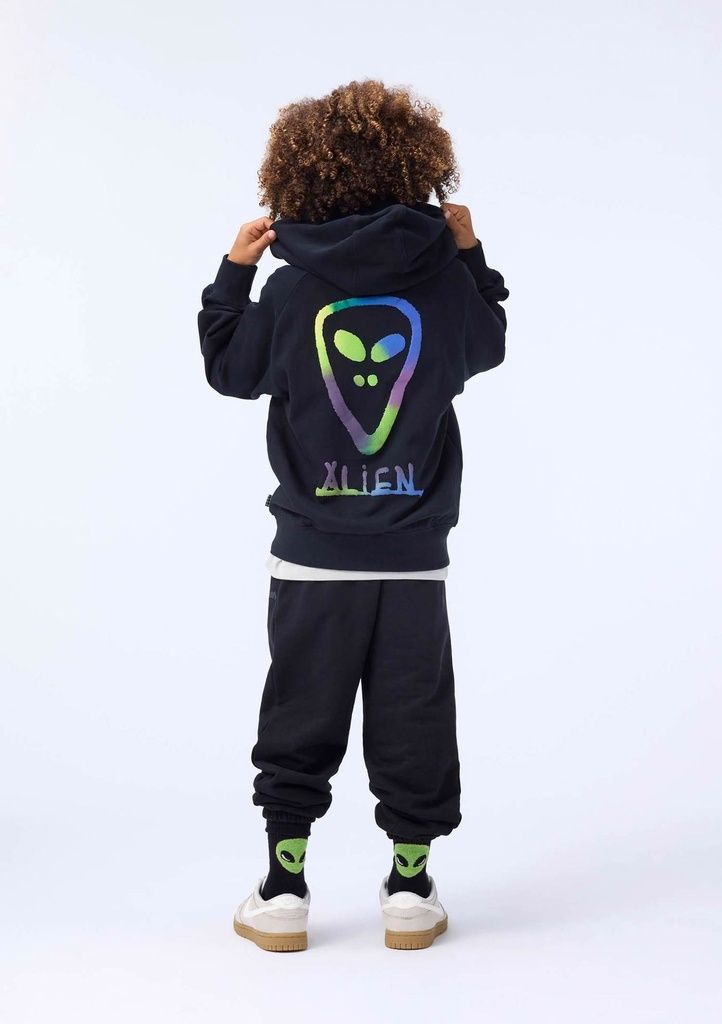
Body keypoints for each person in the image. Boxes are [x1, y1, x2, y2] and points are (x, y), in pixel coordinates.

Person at [196, 78, 509, 952]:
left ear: (299, 177)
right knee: (414, 710)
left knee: (301, 708)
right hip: (413, 557)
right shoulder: (443, 291)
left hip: (312, 552)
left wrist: (234, 274)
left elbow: (229, 369)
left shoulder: (291, 293)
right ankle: (409, 890)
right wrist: (469, 255)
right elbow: (489, 342)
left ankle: (283, 889)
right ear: (417, 170)